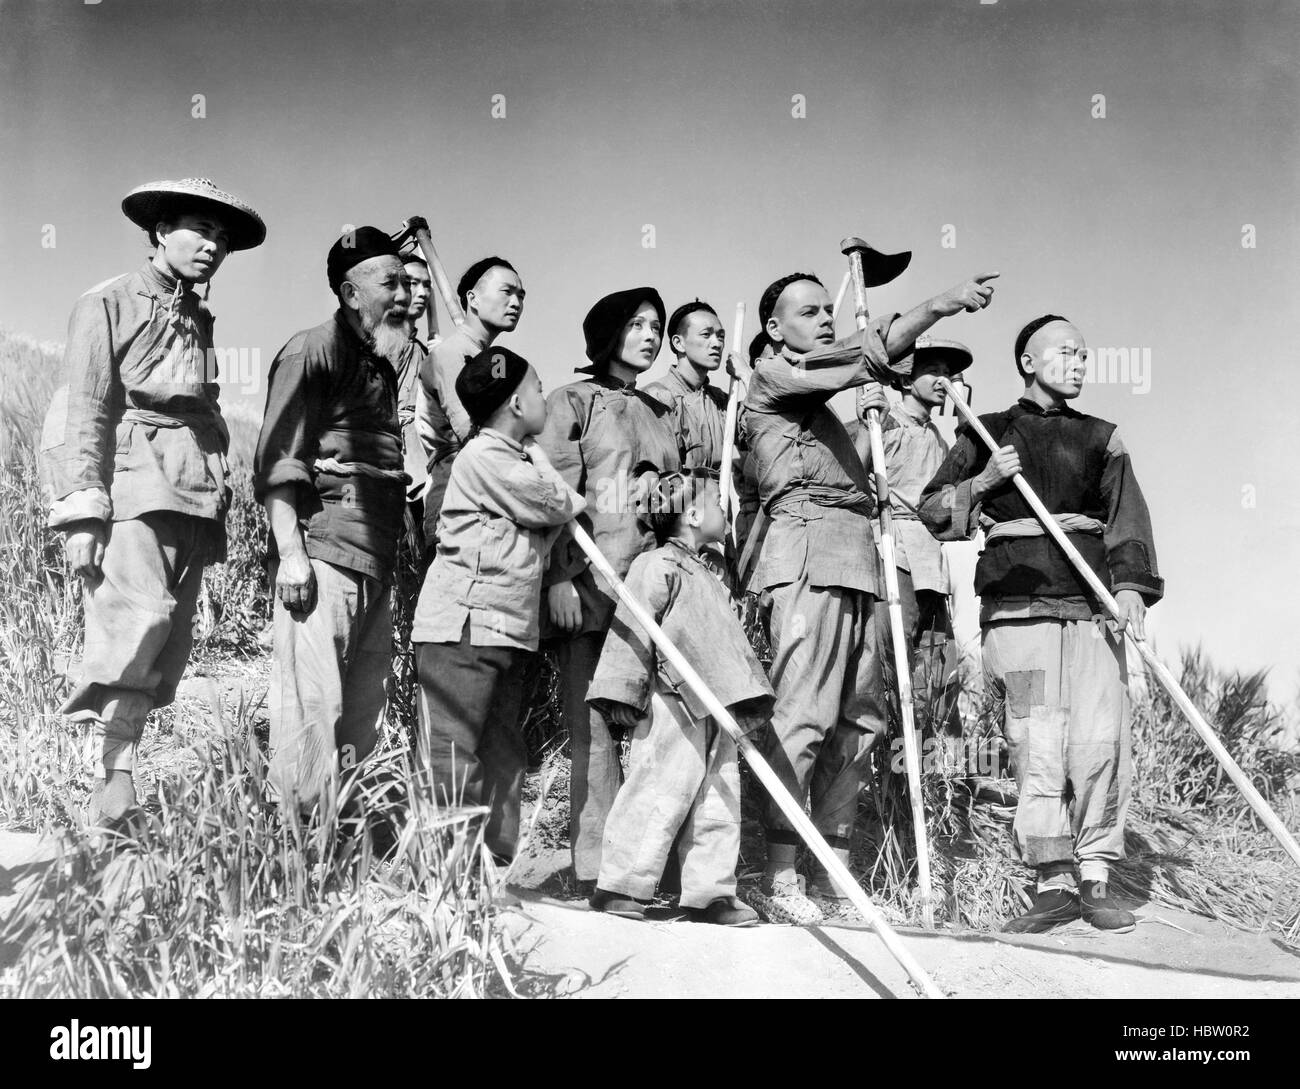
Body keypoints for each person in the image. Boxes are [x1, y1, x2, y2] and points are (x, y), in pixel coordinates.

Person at [743, 268, 998, 923]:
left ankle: (831, 865)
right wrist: (939, 301)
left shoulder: (823, 402)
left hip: (860, 559)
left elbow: (867, 352)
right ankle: (777, 875)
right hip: (804, 558)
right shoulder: (771, 378)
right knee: (801, 715)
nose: (823, 319)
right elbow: (870, 352)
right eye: (808, 312)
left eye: (826, 310)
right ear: (774, 329)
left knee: (863, 723)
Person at [918, 314, 1162, 934]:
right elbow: (932, 511)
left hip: (1092, 609)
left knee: (1101, 740)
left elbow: (1127, 517)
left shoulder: (1103, 437)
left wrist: (1130, 587)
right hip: (1017, 608)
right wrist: (985, 480)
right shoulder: (988, 430)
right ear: (1028, 361)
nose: (1079, 362)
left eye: (1084, 353)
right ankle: (1051, 882)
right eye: (1065, 352)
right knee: (1035, 742)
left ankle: (1096, 877)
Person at [44, 176, 265, 826]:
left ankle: (119, 785)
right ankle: (112, 790)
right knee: (134, 626)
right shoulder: (109, 300)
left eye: (222, 238)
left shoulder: (197, 317)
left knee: (166, 640)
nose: (212, 246)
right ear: (161, 231)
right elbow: (82, 402)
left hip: (191, 497)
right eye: (200, 230)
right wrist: (83, 509)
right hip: (135, 484)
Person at [254, 226, 412, 809]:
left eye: (405, 281)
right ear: (349, 292)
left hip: (374, 561)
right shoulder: (311, 349)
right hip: (321, 555)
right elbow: (278, 461)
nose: (402, 294)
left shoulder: (380, 366)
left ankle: (340, 840)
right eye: (389, 283)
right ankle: (297, 853)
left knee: (360, 714)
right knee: (312, 710)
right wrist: (292, 557)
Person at [411, 347, 584, 863]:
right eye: (536, 390)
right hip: (462, 627)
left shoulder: (513, 457)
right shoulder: (486, 458)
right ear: (513, 404)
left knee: (503, 749)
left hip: (503, 630)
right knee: (452, 748)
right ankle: (449, 872)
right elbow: (558, 503)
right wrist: (543, 459)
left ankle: (494, 867)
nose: (544, 400)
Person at [538, 286, 682, 889]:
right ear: (606, 334)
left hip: (651, 592)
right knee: (593, 730)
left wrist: (674, 498)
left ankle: (651, 869)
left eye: (657, 326)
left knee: (659, 728)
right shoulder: (569, 401)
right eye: (638, 325)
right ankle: (596, 870)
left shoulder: (658, 412)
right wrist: (561, 578)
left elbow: (678, 500)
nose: (651, 336)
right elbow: (549, 495)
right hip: (592, 586)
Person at [587, 470, 773, 925]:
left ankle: (709, 892)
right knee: (658, 787)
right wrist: (623, 691)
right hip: (672, 699)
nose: (723, 509)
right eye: (715, 501)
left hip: (715, 703)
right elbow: (632, 629)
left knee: (719, 795)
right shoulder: (656, 566)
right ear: (692, 515)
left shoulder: (708, 573)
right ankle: (621, 882)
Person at [854, 335, 972, 736]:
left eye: (949, 373)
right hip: (892, 547)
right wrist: (868, 420)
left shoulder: (940, 439)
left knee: (939, 660)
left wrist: (963, 422)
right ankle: (891, 770)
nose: (945, 381)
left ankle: (941, 767)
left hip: (930, 557)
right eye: (934, 372)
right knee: (893, 656)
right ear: (906, 379)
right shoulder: (881, 423)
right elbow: (852, 477)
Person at [416, 256, 525, 546]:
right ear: (472, 299)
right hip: (458, 501)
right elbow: (475, 434)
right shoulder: (451, 354)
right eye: (507, 291)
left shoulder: (490, 357)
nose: (516, 302)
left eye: (521, 295)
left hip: (487, 497)